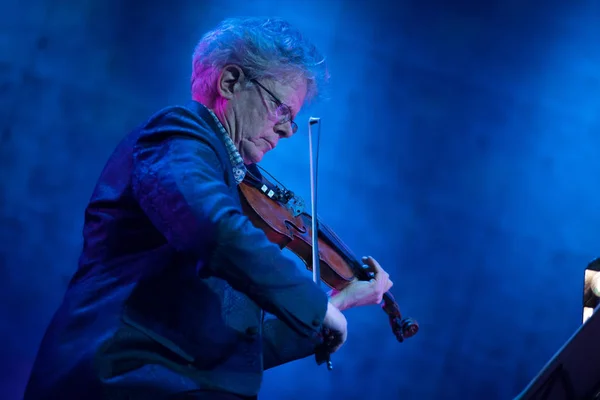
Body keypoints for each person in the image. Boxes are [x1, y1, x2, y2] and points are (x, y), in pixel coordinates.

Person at [23, 17, 394, 400]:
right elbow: (213, 228)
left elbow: (232, 353)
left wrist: (335, 305)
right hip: (120, 378)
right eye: (281, 110)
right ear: (231, 82)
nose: (286, 130)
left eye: (293, 121)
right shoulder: (178, 134)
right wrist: (313, 304)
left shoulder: (233, 191)